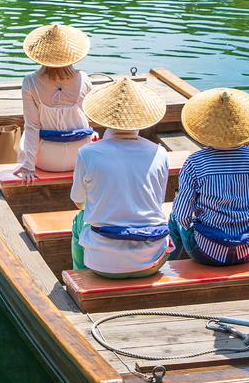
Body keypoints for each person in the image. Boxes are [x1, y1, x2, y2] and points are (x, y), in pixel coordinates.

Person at [69, 76, 173, 278]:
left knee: (79, 220)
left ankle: (79, 277)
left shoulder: (87, 152)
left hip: (103, 265)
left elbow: (78, 201)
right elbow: (156, 201)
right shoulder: (160, 153)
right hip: (152, 261)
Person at [170, 87, 249, 267]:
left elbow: (183, 216)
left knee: (174, 217)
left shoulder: (195, 162)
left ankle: (169, 266)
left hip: (206, 252)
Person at [13, 22, 96, 180]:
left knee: (26, 135)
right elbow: (91, 117)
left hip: (46, 162)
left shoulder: (30, 82)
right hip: (81, 158)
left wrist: (29, 166)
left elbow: (32, 127)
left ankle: (25, 168)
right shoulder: (84, 79)